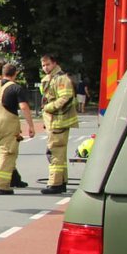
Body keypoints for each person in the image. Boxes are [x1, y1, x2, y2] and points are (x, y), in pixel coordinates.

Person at [0, 62, 36, 194]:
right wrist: (31, 125)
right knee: (7, 153)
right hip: (7, 123)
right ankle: (3, 186)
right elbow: (23, 107)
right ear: (15, 73)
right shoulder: (16, 88)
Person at [38, 53, 78, 195]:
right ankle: (61, 182)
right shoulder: (49, 79)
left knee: (54, 152)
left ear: (54, 63)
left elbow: (65, 98)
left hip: (59, 121)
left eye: (48, 64)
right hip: (53, 121)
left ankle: (54, 184)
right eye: (43, 65)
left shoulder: (61, 79)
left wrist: (49, 108)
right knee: (59, 153)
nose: (45, 67)